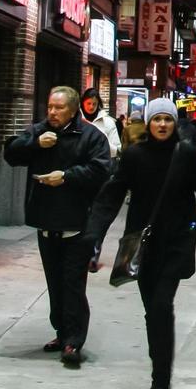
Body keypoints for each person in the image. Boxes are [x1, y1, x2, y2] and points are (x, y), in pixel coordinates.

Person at [86, 99, 196, 389]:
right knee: (152, 312)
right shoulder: (134, 155)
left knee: (161, 305)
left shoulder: (184, 153)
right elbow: (112, 194)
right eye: (156, 119)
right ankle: (159, 370)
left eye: (167, 120)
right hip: (143, 246)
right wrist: (94, 234)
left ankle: (161, 383)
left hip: (176, 243)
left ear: (174, 124)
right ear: (148, 123)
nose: (162, 125)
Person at [3, 85, 112, 367]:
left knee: (72, 283)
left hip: (77, 223)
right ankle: (61, 332)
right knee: (55, 283)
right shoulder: (40, 132)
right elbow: (11, 153)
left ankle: (74, 341)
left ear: (73, 109)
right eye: (50, 106)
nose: (52, 112)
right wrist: (35, 144)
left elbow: (101, 171)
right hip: (46, 221)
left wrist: (65, 176)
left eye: (58, 107)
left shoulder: (91, 136)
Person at [81, 88, 122, 273]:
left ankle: (92, 254)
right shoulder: (75, 119)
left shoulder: (107, 123)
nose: (90, 107)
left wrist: (97, 136)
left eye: (94, 104)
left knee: (97, 217)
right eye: (87, 103)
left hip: (100, 175)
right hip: (79, 175)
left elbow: (116, 149)